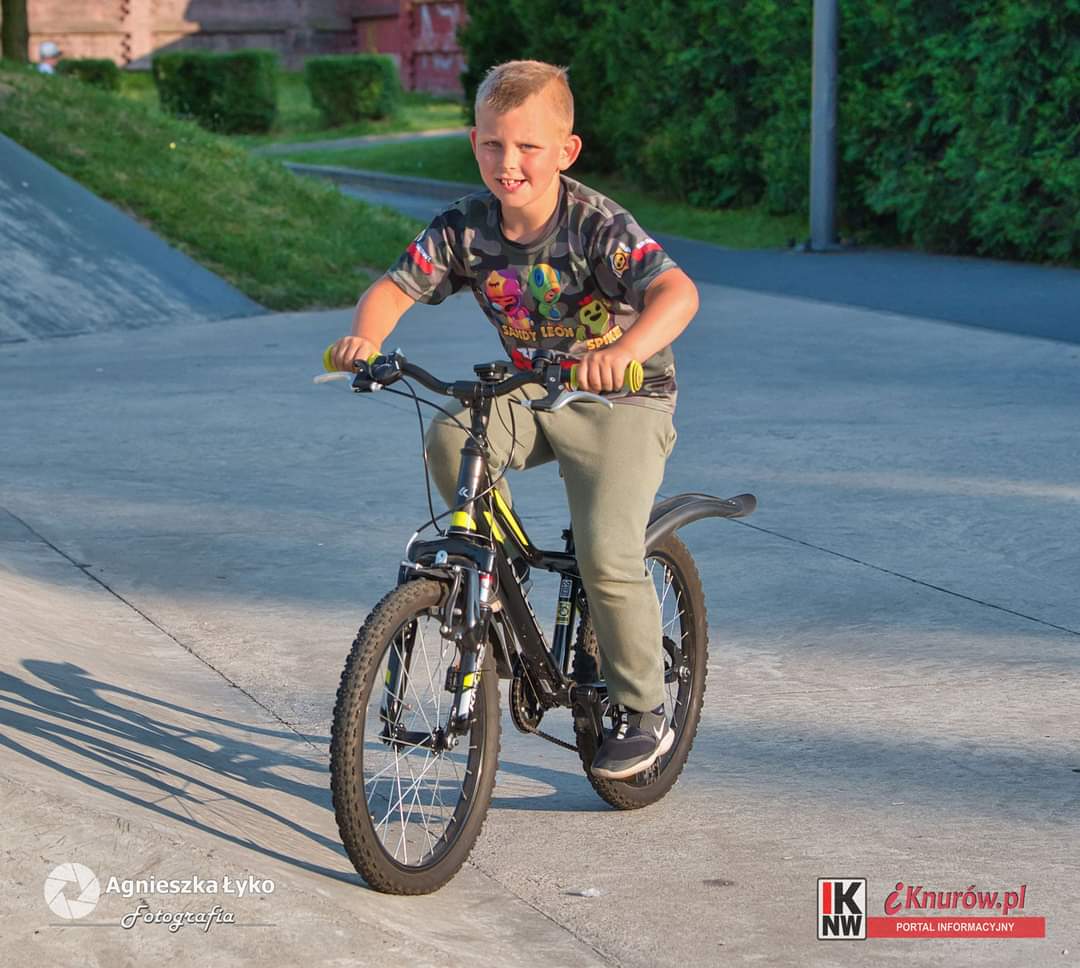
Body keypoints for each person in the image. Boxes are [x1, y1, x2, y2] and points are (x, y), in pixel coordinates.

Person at [327, 59, 699, 781]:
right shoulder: (464, 228)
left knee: (607, 552)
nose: (510, 162)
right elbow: (394, 288)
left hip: (623, 398)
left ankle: (644, 709)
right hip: (534, 390)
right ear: (475, 142)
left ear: (566, 151)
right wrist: (365, 341)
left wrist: (622, 352)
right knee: (448, 436)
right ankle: (500, 577)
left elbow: (677, 293)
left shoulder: (595, 224)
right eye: (494, 144)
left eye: (529, 146)